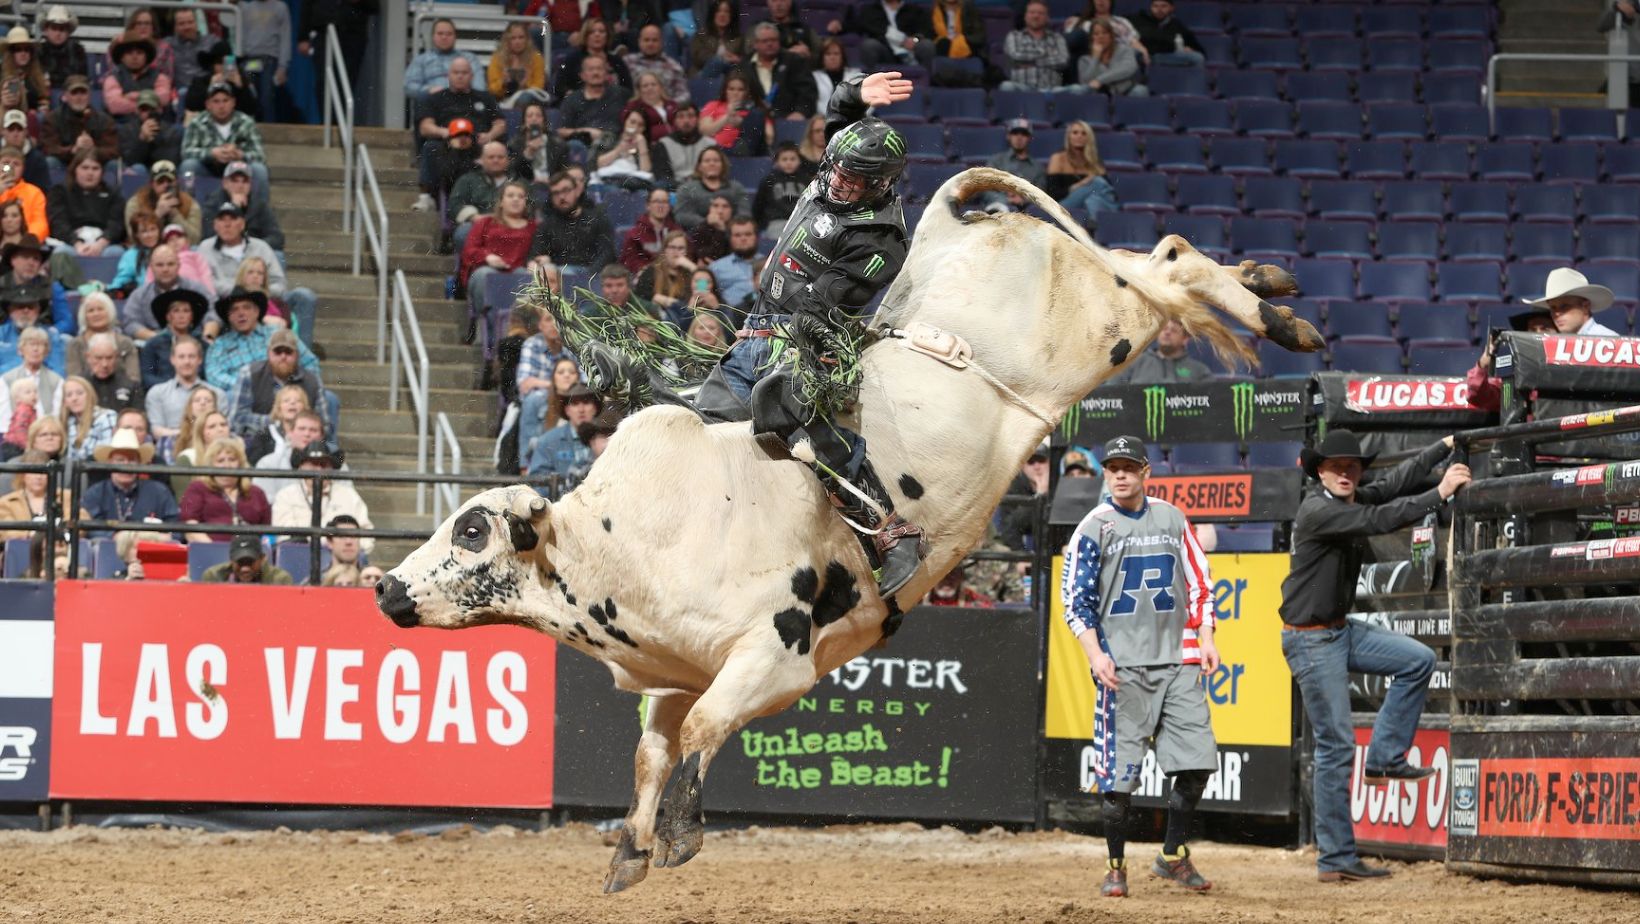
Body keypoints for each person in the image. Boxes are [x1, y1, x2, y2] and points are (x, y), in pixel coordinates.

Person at [581, 72, 925, 594]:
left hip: (812, 343)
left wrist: (778, 331)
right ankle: (640, 389)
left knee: (785, 411)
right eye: (836, 169)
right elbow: (837, 110)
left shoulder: (882, 238)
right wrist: (857, 92)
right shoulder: (837, 169)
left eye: (853, 179)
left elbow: (820, 305)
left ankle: (890, 535)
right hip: (759, 331)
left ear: (879, 183)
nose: (837, 182)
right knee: (698, 424)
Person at [1281, 429, 1470, 881]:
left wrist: (1439, 448)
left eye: (1353, 466)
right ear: (1319, 470)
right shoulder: (1318, 511)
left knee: (1418, 660)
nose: (1346, 472)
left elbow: (1393, 485)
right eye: (1336, 466)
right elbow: (1382, 518)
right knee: (1336, 746)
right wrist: (1441, 493)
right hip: (1310, 637)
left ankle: (1385, 757)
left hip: (1336, 631)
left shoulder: (1344, 499)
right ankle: (1335, 860)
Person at [1063, 434, 1219, 898]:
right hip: (1122, 669)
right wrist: (1096, 654)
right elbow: (1076, 601)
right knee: (1117, 779)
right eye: (1114, 468)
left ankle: (1171, 855)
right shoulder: (1094, 526)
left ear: (1146, 472)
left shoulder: (1171, 518)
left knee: (1197, 764)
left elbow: (1200, 582)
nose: (1121, 475)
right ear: (1106, 474)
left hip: (1178, 662)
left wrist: (1206, 637)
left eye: (1129, 467)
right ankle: (1116, 868)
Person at [199, 204, 319, 347]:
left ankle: (302, 353)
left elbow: (280, 284)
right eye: (222, 220)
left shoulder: (261, 247)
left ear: (242, 224)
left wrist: (260, 291)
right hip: (224, 303)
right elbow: (205, 284)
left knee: (304, 295)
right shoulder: (205, 248)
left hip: (266, 298)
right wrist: (243, 290)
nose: (227, 224)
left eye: (232, 219)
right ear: (215, 225)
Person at [412, 57, 505, 212]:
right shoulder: (435, 98)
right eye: (456, 72)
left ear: (472, 76)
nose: (460, 76)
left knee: (496, 149)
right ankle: (425, 197)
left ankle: (494, 196)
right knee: (430, 147)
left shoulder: (485, 97)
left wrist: (489, 135)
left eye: (464, 72)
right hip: (447, 145)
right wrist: (445, 132)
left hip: (478, 144)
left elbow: (500, 124)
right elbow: (425, 127)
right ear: (448, 75)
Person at [461, 180, 538, 345]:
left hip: (517, 273)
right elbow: (469, 249)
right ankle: (486, 330)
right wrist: (487, 257)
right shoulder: (486, 223)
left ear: (526, 202)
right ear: (501, 201)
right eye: (510, 196)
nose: (516, 200)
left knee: (526, 278)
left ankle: (516, 332)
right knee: (484, 275)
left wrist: (535, 261)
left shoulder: (533, 227)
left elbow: (539, 251)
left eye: (520, 196)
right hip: (488, 271)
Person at [229, 327, 331, 443]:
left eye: (288, 352)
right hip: (258, 441)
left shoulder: (312, 380)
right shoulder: (249, 373)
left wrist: (299, 428)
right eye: (278, 351)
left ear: (297, 355)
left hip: (302, 444)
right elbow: (237, 419)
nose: (283, 356)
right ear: (268, 353)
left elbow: (324, 425)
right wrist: (277, 423)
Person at [206, 288, 318, 391]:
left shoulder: (278, 333)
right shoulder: (220, 345)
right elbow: (213, 374)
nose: (241, 313)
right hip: (242, 395)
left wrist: (297, 386)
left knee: (328, 398)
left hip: (284, 391)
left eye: (246, 307)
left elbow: (310, 362)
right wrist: (245, 385)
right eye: (234, 309)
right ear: (228, 317)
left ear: (257, 312)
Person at [271, 443, 375, 554]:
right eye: (313, 463)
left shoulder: (349, 496)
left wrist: (351, 550)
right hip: (299, 556)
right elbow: (284, 537)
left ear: (332, 468)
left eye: (324, 464)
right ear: (301, 466)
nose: (319, 469)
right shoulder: (286, 496)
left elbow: (367, 536)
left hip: (340, 558)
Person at [81, 427, 180, 537]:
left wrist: (157, 538)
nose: (126, 465)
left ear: (139, 463)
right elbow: (88, 529)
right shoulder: (95, 493)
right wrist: (115, 537)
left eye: (131, 460)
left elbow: (176, 530)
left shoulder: (160, 492)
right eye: (120, 460)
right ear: (109, 463)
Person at [180, 435, 271, 543]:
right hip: (209, 551)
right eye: (220, 460)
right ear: (211, 465)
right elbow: (190, 527)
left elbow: (267, 531)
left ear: (240, 464)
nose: (227, 465)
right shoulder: (197, 488)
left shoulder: (256, 492)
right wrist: (215, 548)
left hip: (251, 553)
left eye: (232, 459)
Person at [180, 83, 269, 191]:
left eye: (225, 100)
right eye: (216, 101)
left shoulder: (246, 122)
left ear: (233, 103)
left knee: (259, 170)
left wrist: (240, 155)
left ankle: (259, 208)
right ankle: (189, 207)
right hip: (208, 170)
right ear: (208, 104)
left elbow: (260, 155)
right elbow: (186, 152)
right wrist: (211, 153)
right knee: (188, 167)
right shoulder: (197, 123)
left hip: (239, 173)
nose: (221, 106)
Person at [122, 244, 218, 343]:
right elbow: (130, 323)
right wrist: (160, 339)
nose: (165, 269)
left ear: (178, 265)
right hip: (156, 345)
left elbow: (214, 311)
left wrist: (207, 337)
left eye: (170, 264)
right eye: (160, 265)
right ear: (151, 268)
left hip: (196, 342)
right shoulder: (139, 295)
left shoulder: (196, 288)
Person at [1466, 307, 1554, 413]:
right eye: (1532, 330)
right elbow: (1479, 396)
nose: (1538, 334)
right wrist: (1484, 362)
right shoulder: (1513, 376)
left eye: (1545, 329)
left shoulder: (1574, 365)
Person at [528, 170, 618, 275]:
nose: (561, 197)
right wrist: (537, 262)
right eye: (556, 193)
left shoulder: (597, 219)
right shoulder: (547, 225)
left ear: (577, 191)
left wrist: (589, 275)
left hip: (590, 276)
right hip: (557, 276)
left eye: (566, 190)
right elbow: (535, 255)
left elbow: (607, 254)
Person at [47, 151, 125, 258]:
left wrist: (101, 243)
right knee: (61, 253)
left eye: (95, 168)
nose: (90, 173)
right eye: (85, 168)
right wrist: (77, 243)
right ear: (75, 170)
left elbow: (116, 223)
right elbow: (58, 223)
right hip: (71, 242)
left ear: (102, 172)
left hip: (104, 243)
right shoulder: (60, 192)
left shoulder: (112, 193)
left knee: (116, 253)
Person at [146, 334, 222, 442]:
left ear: (200, 359)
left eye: (191, 356)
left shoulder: (217, 394)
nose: (187, 362)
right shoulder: (157, 393)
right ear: (172, 360)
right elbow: (156, 430)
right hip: (170, 450)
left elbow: (223, 429)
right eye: (181, 357)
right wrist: (187, 437)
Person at [557, 56, 631, 164]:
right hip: (585, 146)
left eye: (599, 69)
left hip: (617, 144)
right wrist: (587, 132)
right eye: (591, 69)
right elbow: (561, 131)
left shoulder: (622, 94)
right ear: (582, 75)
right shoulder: (572, 99)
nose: (595, 73)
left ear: (606, 74)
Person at [527, 382, 604, 483]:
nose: (581, 409)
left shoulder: (609, 440)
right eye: (575, 403)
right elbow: (538, 484)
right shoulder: (547, 441)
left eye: (586, 402)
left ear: (595, 408)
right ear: (567, 410)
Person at [448, 141, 516, 252]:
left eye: (500, 157)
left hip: (512, 225)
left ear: (508, 160)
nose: (496, 160)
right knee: (463, 233)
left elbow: (530, 207)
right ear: (482, 160)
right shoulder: (467, 180)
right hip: (477, 224)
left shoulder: (518, 182)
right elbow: (454, 205)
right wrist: (474, 217)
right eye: (491, 157)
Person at [201, 161, 284, 252]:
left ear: (250, 185)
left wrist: (251, 247)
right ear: (225, 183)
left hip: (254, 256)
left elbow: (277, 237)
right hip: (220, 253)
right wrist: (234, 208)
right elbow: (207, 236)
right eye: (235, 181)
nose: (240, 186)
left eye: (245, 181)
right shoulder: (213, 204)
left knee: (278, 255)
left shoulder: (260, 205)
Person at [743, 22, 819, 121]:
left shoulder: (794, 61)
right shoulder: (744, 66)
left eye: (773, 40)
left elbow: (808, 92)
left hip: (788, 120)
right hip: (753, 121)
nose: (769, 44)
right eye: (765, 41)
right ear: (755, 44)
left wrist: (800, 112)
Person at [41, 75, 120, 171]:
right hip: (65, 164)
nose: (79, 97)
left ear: (89, 95)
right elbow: (49, 148)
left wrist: (93, 150)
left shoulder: (104, 120)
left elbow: (113, 150)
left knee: (114, 165)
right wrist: (73, 150)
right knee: (50, 162)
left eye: (83, 92)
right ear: (65, 96)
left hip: (95, 166)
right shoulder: (52, 119)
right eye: (74, 93)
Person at [0, 450, 83, 538]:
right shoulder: (6, 503)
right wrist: (31, 535)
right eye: (34, 472)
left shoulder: (66, 496)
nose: (38, 477)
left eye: (43, 473)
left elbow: (81, 522)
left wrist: (61, 532)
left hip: (60, 547)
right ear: (22, 475)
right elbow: (5, 532)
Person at [1001, 2, 1079, 93]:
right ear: (1025, 16)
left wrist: (1031, 62)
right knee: (1006, 86)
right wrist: (1047, 53)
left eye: (1040, 13)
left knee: (1078, 90)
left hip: (1052, 90)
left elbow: (1063, 61)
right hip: (1022, 88)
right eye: (1032, 12)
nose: (1036, 16)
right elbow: (1015, 56)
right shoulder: (1014, 36)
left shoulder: (1057, 38)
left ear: (1047, 18)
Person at [1105, 320, 1211, 385]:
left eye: (1173, 330)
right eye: (1164, 329)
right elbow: (1110, 394)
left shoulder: (1199, 370)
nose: (1167, 332)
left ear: (1185, 339)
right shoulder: (1133, 363)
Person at [554, 18, 635, 102]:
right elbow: (559, 87)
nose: (597, 35)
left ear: (607, 36)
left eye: (601, 31)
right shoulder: (572, 59)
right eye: (592, 32)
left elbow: (628, 89)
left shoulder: (616, 61)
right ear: (585, 36)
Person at [403, 18, 482, 103]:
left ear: (455, 37)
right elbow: (408, 87)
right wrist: (429, 90)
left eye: (449, 34)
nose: (444, 37)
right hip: (432, 106)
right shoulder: (421, 60)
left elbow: (480, 88)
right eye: (440, 33)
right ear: (433, 36)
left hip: (463, 106)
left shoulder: (469, 59)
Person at [102, 32, 174, 123]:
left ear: (146, 57)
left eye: (139, 53)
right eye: (129, 53)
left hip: (156, 124)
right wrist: (146, 103)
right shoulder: (112, 78)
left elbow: (163, 98)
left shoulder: (160, 77)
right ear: (122, 57)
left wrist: (131, 96)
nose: (134, 57)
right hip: (122, 127)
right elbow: (115, 106)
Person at [251, 407, 323, 497]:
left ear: (321, 437)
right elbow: (264, 501)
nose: (307, 434)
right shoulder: (268, 463)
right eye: (301, 429)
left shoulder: (336, 465)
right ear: (290, 433)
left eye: (313, 430)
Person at [66, 292, 137, 382]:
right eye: (91, 311)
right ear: (84, 316)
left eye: (100, 309)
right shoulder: (75, 345)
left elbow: (134, 378)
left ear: (110, 312)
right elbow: (74, 380)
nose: (96, 314)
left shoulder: (125, 343)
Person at [846, 0, 935, 72]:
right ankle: (871, 83)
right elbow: (856, 26)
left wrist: (915, 40)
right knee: (869, 45)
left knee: (927, 45)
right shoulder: (870, 10)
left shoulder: (914, 9)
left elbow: (927, 31)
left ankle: (925, 85)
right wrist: (839, 24)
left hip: (911, 50)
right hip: (885, 50)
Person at [124, 161, 200, 244]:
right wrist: (157, 214)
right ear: (152, 184)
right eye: (160, 181)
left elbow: (194, 240)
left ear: (177, 182)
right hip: (147, 250)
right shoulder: (136, 203)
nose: (165, 185)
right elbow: (134, 238)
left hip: (178, 250)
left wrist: (174, 213)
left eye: (170, 181)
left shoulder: (189, 203)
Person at [674, 146, 748, 228]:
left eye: (716, 161)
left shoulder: (736, 188)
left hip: (730, 234)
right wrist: (707, 222)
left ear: (723, 165)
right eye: (707, 161)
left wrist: (727, 225)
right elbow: (681, 215)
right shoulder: (687, 189)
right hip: (697, 235)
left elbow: (745, 214)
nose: (712, 164)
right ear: (699, 166)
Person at [184, 41, 260, 120]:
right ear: (213, 64)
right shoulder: (201, 81)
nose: (223, 66)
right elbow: (191, 105)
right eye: (220, 62)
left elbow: (252, 109)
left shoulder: (240, 82)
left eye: (227, 62)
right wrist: (209, 87)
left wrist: (241, 87)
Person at [983, 119, 1047, 211]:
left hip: (1028, 216)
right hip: (999, 211)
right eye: (1015, 133)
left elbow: (1041, 196)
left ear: (1029, 138)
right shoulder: (996, 161)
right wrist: (1006, 199)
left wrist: (1024, 199)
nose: (1019, 137)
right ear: (1008, 136)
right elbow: (985, 190)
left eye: (1024, 134)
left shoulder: (1038, 168)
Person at [753, 142, 815, 236]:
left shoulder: (806, 180)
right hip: (776, 222)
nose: (788, 162)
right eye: (784, 159)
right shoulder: (769, 180)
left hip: (800, 222)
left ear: (799, 161)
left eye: (792, 159)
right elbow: (759, 204)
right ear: (777, 162)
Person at [700, 71, 767, 155]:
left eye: (740, 90)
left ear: (747, 92)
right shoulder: (713, 105)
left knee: (757, 114)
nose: (735, 93)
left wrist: (741, 124)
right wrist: (727, 117)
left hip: (740, 151)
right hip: (715, 151)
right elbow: (705, 131)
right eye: (731, 89)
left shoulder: (753, 112)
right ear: (725, 90)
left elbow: (768, 136)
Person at [116, 90, 183, 174]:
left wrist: (155, 139)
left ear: (160, 109)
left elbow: (171, 162)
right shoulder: (127, 130)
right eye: (144, 109)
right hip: (138, 172)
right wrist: (142, 140)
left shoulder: (172, 132)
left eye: (152, 109)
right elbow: (130, 161)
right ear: (137, 110)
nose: (148, 113)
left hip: (163, 173)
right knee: (138, 168)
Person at [243, 382, 310, 464]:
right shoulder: (264, 435)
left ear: (305, 408)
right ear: (278, 408)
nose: (292, 403)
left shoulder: (310, 434)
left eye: (298, 401)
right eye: (286, 400)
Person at [1079, 17, 1148, 96]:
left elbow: (1128, 69)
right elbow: (1086, 83)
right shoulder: (1084, 60)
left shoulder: (1124, 50)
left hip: (1126, 91)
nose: (1100, 36)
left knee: (1140, 91)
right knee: (1078, 90)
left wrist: (1100, 80)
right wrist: (1095, 58)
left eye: (1104, 33)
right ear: (1091, 38)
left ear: (1111, 36)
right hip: (1099, 94)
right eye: (1096, 34)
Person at [706, 215, 762, 312]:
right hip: (729, 319)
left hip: (762, 317)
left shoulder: (769, 264)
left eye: (748, 234)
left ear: (756, 237)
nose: (743, 238)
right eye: (737, 235)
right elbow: (700, 282)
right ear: (730, 238)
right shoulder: (716, 267)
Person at [625, 23, 691, 106]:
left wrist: (668, 106)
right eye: (646, 40)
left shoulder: (673, 67)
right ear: (639, 42)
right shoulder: (627, 62)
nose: (650, 44)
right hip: (634, 111)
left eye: (654, 40)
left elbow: (685, 95)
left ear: (662, 42)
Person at [620, 187, 682, 273]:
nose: (661, 206)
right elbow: (630, 262)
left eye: (664, 202)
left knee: (701, 280)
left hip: (674, 278)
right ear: (648, 206)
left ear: (669, 206)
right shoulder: (635, 234)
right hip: (645, 279)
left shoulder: (677, 232)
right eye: (656, 201)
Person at [488, 21, 549, 109]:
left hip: (528, 100)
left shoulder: (536, 58)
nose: (517, 42)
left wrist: (525, 84)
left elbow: (539, 86)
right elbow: (492, 89)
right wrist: (503, 82)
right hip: (502, 99)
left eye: (521, 37)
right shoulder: (497, 58)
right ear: (507, 40)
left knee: (525, 98)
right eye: (513, 38)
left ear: (527, 39)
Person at [1065, 0, 1149, 63]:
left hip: (1121, 59)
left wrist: (1143, 51)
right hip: (1093, 59)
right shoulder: (1083, 23)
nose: (1101, 1)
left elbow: (1134, 42)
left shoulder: (1122, 22)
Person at [594, 108, 657, 187]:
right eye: (632, 122)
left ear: (644, 129)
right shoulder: (609, 137)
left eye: (640, 125)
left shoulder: (645, 145)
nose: (635, 126)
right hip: (608, 180)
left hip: (634, 183)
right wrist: (619, 149)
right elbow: (599, 163)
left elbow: (645, 172)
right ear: (625, 121)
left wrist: (642, 148)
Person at [510, 100, 568, 184]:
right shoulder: (514, 144)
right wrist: (528, 153)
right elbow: (514, 173)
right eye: (529, 116)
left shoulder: (558, 145)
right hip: (526, 187)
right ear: (524, 122)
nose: (534, 118)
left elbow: (563, 172)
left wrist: (552, 181)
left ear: (544, 121)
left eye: (538, 115)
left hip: (552, 185)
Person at [84, 333, 143, 414]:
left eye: (109, 358)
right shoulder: (79, 386)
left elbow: (138, 416)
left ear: (116, 357)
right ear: (88, 357)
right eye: (98, 358)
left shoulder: (131, 385)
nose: (104, 364)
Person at [1132, 0, 1204, 67]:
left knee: (1197, 58)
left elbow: (1194, 45)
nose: (1159, 9)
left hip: (1165, 56)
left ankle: (1191, 80)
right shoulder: (1139, 19)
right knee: (1131, 53)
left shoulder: (1176, 24)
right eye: (1155, 6)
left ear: (1171, 8)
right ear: (1151, 7)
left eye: (1163, 6)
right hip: (1143, 55)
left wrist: (1191, 49)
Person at [200, 534, 293, 584]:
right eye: (240, 562)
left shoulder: (280, 580)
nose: (245, 569)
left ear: (262, 559)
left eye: (250, 562)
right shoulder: (213, 577)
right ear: (231, 560)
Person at [0, 146, 48, 240]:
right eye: (6, 163)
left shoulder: (34, 192)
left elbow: (40, 223)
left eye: (16, 164)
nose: (11, 167)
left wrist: (26, 240)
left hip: (25, 243)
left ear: (23, 169)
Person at [37, 6, 89, 91]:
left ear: (68, 32)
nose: (58, 33)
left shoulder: (77, 51)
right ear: (46, 30)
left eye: (62, 29)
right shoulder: (38, 51)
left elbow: (81, 79)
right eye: (54, 28)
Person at [690, 0, 747, 78]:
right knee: (716, 62)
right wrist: (721, 58)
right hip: (703, 72)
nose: (722, 15)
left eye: (726, 12)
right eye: (718, 11)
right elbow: (698, 57)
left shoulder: (739, 38)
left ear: (732, 15)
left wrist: (737, 59)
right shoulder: (702, 34)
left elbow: (746, 59)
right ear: (713, 14)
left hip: (729, 76)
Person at [621, 72, 678, 145]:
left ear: (660, 87)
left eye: (653, 84)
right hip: (648, 145)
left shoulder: (672, 104)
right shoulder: (633, 106)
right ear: (639, 89)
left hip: (677, 143)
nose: (650, 88)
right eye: (645, 86)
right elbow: (628, 128)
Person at [0, 27, 48, 112]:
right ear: (10, 54)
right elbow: (12, 101)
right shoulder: (3, 73)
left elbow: (42, 99)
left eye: (27, 50)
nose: (23, 54)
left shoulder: (36, 76)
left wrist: (40, 109)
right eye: (18, 50)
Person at [164, 7, 209, 94]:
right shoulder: (167, 44)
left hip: (206, 93)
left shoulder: (211, 42)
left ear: (196, 23)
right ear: (175, 27)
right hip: (177, 94)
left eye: (190, 22)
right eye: (181, 24)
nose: (187, 27)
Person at [811, 40, 862, 115]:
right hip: (822, 120)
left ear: (842, 57)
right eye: (828, 54)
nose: (832, 57)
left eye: (836, 54)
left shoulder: (855, 75)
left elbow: (867, 101)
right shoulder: (814, 77)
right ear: (822, 58)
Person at [2, 110, 50, 191]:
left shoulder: (37, 159)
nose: (15, 134)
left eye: (19, 129)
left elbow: (43, 189)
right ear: (3, 132)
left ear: (26, 132)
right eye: (11, 129)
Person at [688, 194, 734, 261]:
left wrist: (723, 231)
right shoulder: (700, 229)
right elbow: (709, 258)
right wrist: (720, 231)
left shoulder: (738, 229)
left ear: (732, 210)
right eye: (715, 206)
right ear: (709, 209)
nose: (720, 211)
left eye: (725, 206)